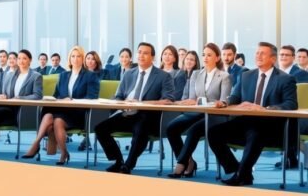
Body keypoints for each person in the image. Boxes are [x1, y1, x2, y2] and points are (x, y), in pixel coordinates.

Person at [209, 42, 297, 186]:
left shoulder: (285, 79)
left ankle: (241, 174)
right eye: (257, 53)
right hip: (246, 123)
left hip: (272, 127)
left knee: (256, 131)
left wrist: (265, 109)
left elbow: (291, 104)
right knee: (213, 132)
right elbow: (235, 96)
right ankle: (238, 169)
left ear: (273, 59)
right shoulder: (246, 75)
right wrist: (225, 102)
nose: (258, 55)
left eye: (263, 53)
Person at [94, 42, 174, 174]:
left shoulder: (163, 76)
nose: (141, 55)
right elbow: (118, 96)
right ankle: (118, 160)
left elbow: (168, 100)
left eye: (145, 53)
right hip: (127, 114)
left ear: (153, 57)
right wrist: (123, 102)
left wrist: (142, 104)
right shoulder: (129, 74)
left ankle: (128, 165)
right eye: (139, 52)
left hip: (148, 117)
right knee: (100, 128)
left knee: (141, 127)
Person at [166, 43, 231, 179]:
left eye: (209, 55)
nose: (205, 58)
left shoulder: (224, 76)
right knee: (171, 128)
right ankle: (189, 161)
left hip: (215, 115)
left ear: (217, 58)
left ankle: (181, 164)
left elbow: (224, 101)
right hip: (196, 112)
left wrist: (214, 103)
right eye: (203, 55)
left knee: (194, 130)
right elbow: (192, 98)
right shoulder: (196, 74)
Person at [23, 47, 99, 162]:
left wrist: (72, 100)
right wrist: (53, 99)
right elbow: (56, 95)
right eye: (73, 56)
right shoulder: (63, 75)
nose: (75, 59)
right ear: (69, 58)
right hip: (62, 110)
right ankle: (53, 149)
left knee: (56, 120)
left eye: (78, 56)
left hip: (79, 113)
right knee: (49, 116)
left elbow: (92, 97)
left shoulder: (90, 76)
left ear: (83, 58)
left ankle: (45, 148)